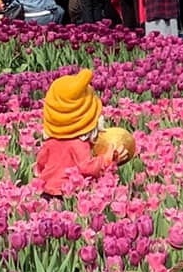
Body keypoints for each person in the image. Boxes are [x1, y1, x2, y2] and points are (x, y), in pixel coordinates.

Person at [35, 69, 128, 198]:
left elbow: (40, 163)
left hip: (46, 189)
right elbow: (86, 168)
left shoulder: (49, 143)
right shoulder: (78, 144)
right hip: (66, 192)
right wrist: (106, 160)